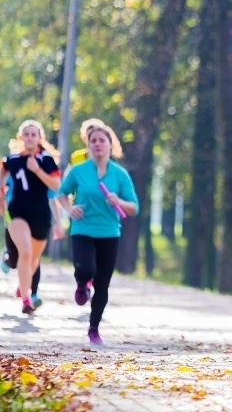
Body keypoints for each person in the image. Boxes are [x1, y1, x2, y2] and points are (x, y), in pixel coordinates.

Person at [57, 124, 138, 345]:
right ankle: (82, 284)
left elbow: (133, 207)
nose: (98, 144)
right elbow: (61, 193)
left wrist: (118, 201)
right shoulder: (78, 171)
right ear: (88, 145)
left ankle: (94, 328)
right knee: (86, 268)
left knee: (102, 283)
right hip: (83, 229)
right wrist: (69, 209)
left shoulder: (120, 175)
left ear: (111, 145)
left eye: (102, 140)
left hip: (109, 232)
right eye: (93, 141)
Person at [0, 120, 62, 314]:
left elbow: (56, 186)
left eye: (33, 134)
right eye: (26, 134)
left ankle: (23, 285)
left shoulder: (46, 160)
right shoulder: (12, 159)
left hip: (41, 216)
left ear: (39, 138)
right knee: (25, 252)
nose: (29, 138)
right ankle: (26, 299)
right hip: (18, 212)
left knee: (33, 259)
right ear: (21, 138)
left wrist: (37, 170)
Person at [2, 176, 64, 309]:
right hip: (14, 223)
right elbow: (3, 197)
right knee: (14, 262)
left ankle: (32, 293)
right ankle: (7, 258)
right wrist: (7, 218)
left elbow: (52, 201)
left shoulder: (43, 176)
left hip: (36, 223)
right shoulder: (14, 174)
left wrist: (58, 223)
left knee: (33, 257)